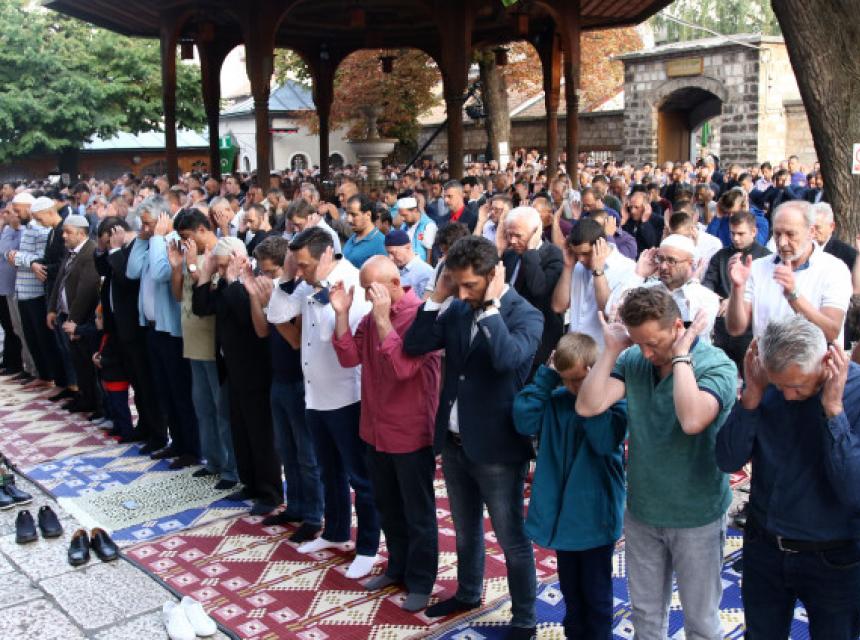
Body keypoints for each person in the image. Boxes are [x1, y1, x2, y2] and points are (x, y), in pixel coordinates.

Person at [576, 286, 737, 640]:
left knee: (701, 623)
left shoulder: (717, 365)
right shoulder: (635, 360)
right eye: (638, 343)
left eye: (653, 343)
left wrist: (680, 358)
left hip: (697, 515)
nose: (646, 353)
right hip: (643, 511)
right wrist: (612, 350)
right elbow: (588, 405)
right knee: (646, 619)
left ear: (678, 326)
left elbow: (692, 420)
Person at [404, 235, 543, 640]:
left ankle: (524, 619)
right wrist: (437, 296)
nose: (463, 294)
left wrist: (492, 307)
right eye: (457, 284)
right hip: (453, 442)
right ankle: (467, 593)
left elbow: (506, 359)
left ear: (494, 275)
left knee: (511, 539)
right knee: (465, 530)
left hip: (497, 448)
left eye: (471, 285)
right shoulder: (458, 307)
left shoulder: (525, 314)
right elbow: (416, 344)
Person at [716, 316, 860, 639]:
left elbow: (854, 492)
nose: (788, 396)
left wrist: (834, 412)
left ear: (826, 361)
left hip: (834, 558)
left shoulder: (856, 393)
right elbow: (727, 459)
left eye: (797, 386)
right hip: (765, 548)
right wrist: (752, 396)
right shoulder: (766, 385)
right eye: (780, 385)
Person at [266, 226, 381, 580]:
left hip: (348, 396)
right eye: (297, 265)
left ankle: (368, 547)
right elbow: (276, 314)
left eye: (305, 265)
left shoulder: (352, 283)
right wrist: (288, 276)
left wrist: (320, 297)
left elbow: (352, 340)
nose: (301, 272)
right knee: (328, 470)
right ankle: (335, 530)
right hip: (315, 394)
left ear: (327, 254)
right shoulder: (306, 281)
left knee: (360, 478)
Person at [331, 255, 442, 612]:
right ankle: (397, 567)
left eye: (372, 289)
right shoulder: (369, 316)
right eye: (364, 289)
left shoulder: (422, 317)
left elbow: (402, 370)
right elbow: (348, 358)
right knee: (388, 507)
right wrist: (341, 314)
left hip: (410, 432)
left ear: (395, 284)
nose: (367, 296)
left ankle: (421, 581)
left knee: (418, 512)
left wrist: (382, 322)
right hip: (375, 429)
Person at [513, 333, 627, 640]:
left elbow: (604, 441)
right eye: (567, 379)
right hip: (562, 520)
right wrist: (547, 377)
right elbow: (524, 420)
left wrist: (591, 395)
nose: (573, 387)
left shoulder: (615, 401)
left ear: (594, 370)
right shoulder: (555, 398)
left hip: (595, 518)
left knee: (596, 594)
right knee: (571, 593)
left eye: (579, 379)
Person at [192, 236, 282, 514]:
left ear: (240, 259)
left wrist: (232, 281)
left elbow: (248, 317)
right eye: (218, 266)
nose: (221, 271)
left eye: (223, 266)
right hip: (232, 368)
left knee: (260, 433)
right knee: (240, 430)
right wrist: (205, 274)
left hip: (255, 369)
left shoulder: (251, 283)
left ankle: (269, 492)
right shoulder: (227, 283)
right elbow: (202, 307)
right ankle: (250, 482)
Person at [244, 237, 323, 541]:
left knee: (307, 454)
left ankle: (314, 515)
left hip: (300, 380)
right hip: (278, 378)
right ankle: (296, 506)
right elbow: (261, 330)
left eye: (270, 272)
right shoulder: (273, 291)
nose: (266, 277)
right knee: (286, 451)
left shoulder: (300, 292)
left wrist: (272, 304)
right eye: (262, 272)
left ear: (285, 267)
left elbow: (294, 340)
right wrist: (256, 298)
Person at [126, 196, 200, 467]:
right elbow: (132, 271)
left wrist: (157, 236)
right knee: (164, 391)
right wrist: (143, 238)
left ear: (163, 219)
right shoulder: (152, 242)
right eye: (142, 224)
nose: (144, 228)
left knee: (180, 392)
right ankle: (177, 442)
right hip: (153, 329)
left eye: (148, 223)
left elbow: (160, 273)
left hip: (172, 331)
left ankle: (192, 447)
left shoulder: (173, 242)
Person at [172, 210, 238, 489]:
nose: (185, 243)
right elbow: (179, 295)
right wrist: (178, 267)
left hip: (213, 343)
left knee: (222, 411)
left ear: (201, 230)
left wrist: (191, 265)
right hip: (192, 342)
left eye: (187, 237)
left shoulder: (220, 253)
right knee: (203, 407)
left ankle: (232, 468)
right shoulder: (190, 257)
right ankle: (213, 460)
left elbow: (209, 298)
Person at [726, 200, 852, 344]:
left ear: (811, 232)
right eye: (777, 234)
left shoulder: (834, 269)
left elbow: (831, 332)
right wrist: (737, 288)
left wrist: (793, 295)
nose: (782, 242)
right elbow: (735, 329)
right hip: (766, 357)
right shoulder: (757, 267)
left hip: (815, 359)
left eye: (790, 234)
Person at [95, 217, 167, 452]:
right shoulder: (115, 251)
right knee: (137, 383)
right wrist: (104, 250)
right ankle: (145, 427)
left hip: (137, 329)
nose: (106, 247)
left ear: (116, 232)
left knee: (147, 385)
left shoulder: (134, 248)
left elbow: (127, 279)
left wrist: (115, 250)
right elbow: (103, 268)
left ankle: (157, 433)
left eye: (107, 241)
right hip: (120, 329)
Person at [612, 234, 721, 343]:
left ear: (690, 263)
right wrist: (639, 275)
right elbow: (615, 312)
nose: (663, 266)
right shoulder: (647, 290)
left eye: (671, 261)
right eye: (660, 259)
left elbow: (691, 333)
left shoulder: (706, 297)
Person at [701, 211, 771, 371]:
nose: (736, 238)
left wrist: (734, 300)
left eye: (741, 234)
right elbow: (708, 284)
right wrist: (720, 300)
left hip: (751, 328)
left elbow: (765, 293)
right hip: (722, 324)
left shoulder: (766, 258)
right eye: (732, 233)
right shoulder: (720, 256)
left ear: (753, 232)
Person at [46, 214, 101, 415]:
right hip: (67, 316)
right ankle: (84, 397)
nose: (64, 236)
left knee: (87, 363)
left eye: (68, 232)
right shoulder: (71, 252)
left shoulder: (90, 252)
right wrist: (53, 308)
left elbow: (86, 291)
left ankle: (93, 401)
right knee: (77, 361)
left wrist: (74, 322)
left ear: (81, 233)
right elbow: (59, 282)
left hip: (82, 319)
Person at [553, 218, 636, 350]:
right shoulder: (577, 265)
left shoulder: (627, 269)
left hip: (602, 352)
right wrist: (568, 266)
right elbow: (558, 306)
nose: (581, 259)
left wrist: (598, 272)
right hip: (572, 350)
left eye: (586, 253)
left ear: (601, 245)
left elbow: (609, 316)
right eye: (577, 254)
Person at [499, 206, 563, 372]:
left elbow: (538, 289)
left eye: (518, 236)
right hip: (508, 335)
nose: (512, 241)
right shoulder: (509, 255)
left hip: (538, 341)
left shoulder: (554, 256)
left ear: (536, 232)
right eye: (509, 235)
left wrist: (531, 251)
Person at [10, 191, 63, 387]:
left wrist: (18, 257)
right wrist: (16, 256)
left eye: (18, 210)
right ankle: (42, 374)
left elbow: (40, 260)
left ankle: (52, 377)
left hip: (36, 291)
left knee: (44, 338)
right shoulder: (31, 227)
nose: (16, 215)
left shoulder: (42, 229)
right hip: (23, 289)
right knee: (31, 336)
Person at [0, 206, 24, 376]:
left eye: (9, 212)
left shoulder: (20, 231)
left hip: (14, 287)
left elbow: (6, 251)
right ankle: (10, 360)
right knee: (8, 326)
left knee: (14, 327)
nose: (5, 215)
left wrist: (8, 229)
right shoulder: (7, 231)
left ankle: (16, 363)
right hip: (4, 286)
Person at [385, 229, 435, 299]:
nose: (390, 258)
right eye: (388, 253)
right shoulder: (391, 269)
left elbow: (424, 303)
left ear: (408, 247)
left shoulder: (426, 272)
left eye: (393, 253)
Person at [342, 194, 386, 268]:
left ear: (368, 215)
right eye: (347, 214)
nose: (349, 220)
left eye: (354, 215)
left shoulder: (381, 243)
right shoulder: (353, 237)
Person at [398, 196, 436, 262]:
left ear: (415, 210)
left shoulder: (428, 225)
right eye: (401, 215)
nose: (402, 219)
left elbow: (429, 254)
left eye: (405, 215)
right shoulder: (403, 226)